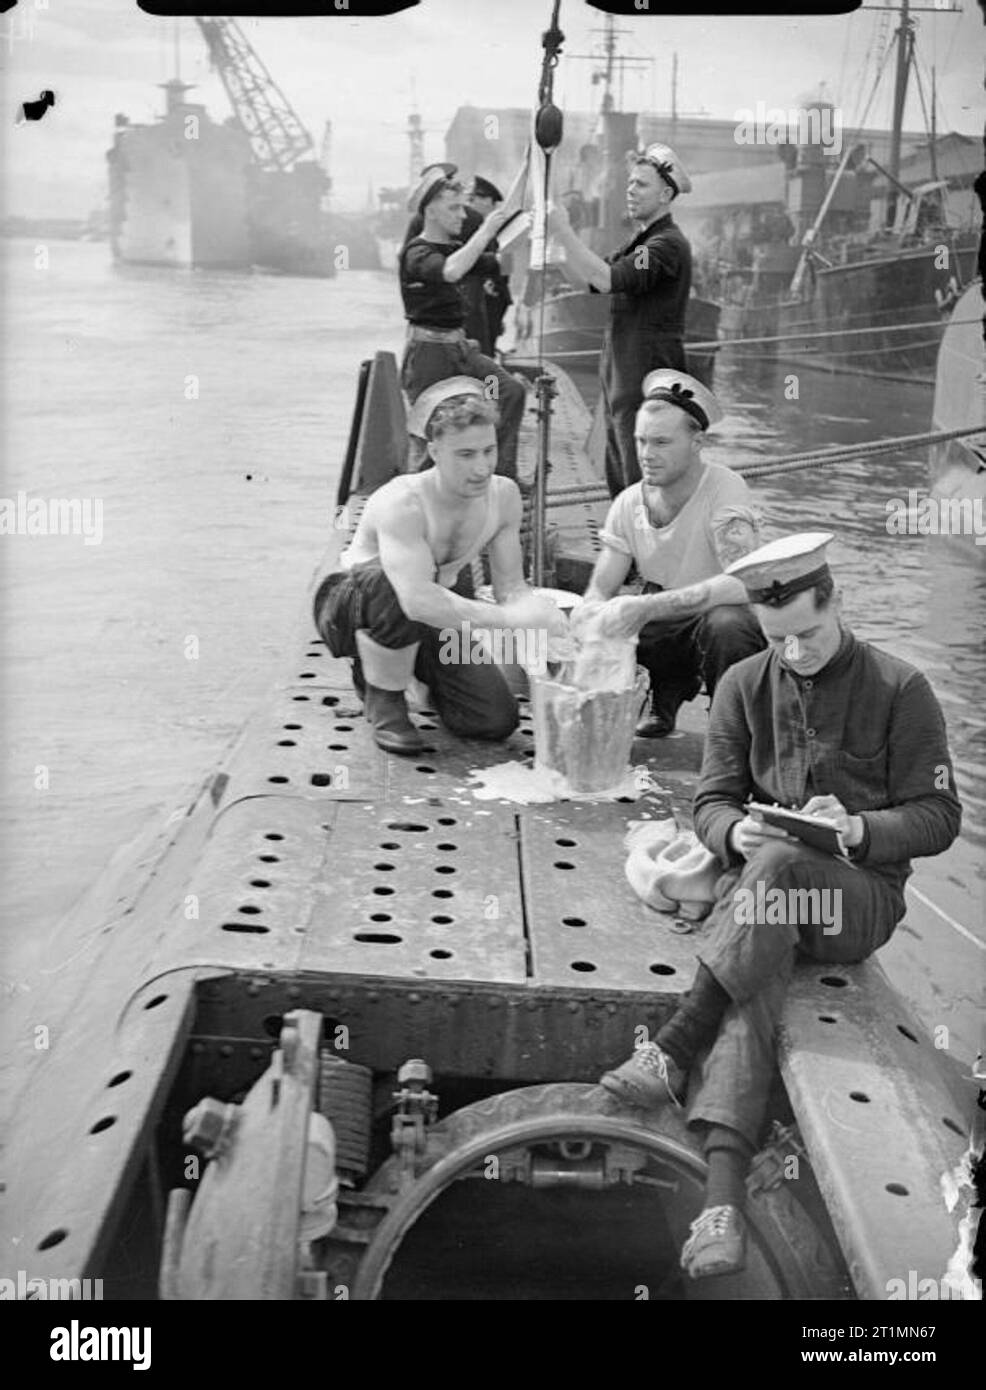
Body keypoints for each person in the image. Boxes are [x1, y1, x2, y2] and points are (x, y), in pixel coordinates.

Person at [597, 532, 962, 1280]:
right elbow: (710, 804)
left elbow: (938, 817)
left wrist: (858, 828)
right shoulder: (741, 686)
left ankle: (673, 1042)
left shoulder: (901, 688)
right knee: (755, 975)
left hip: (855, 901)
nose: (793, 652)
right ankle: (721, 1204)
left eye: (808, 634)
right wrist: (737, 828)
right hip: (766, 900)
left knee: (784, 868)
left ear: (836, 603)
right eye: (777, 639)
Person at [313, 378, 566, 755]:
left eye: (489, 451)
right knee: (392, 584)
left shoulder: (504, 496)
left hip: (426, 609)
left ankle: (420, 673)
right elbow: (417, 602)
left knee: (493, 720)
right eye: (465, 455)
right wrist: (510, 621)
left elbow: (511, 588)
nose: (481, 467)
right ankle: (382, 696)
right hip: (352, 606)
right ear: (434, 450)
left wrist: (544, 627)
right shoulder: (404, 502)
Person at [574, 369, 765, 738]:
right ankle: (663, 696)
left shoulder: (725, 488)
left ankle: (734, 733)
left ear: (697, 442)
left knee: (730, 625)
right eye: (641, 441)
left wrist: (645, 608)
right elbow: (600, 589)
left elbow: (744, 582)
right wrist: (589, 617)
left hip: (709, 620)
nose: (647, 455)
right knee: (600, 620)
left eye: (661, 443)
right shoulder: (629, 503)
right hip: (664, 621)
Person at [547, 143, 694, 498]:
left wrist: (566, 232)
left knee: (639, 485)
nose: (630, 190)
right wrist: (557, 248)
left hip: (644, 379)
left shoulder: (663, 247)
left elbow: (610, 279)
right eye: (630, 183)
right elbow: (589, 281)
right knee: (621, 483)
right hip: (621, 378)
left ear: (665, 194)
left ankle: (643, 553)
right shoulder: (639, 244)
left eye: (641, 185)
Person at [399, 164, 527, 481]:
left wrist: (516, 233)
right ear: (430, 211)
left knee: (507, 392)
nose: (462, 215)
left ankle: (500, 476)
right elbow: (451, 271)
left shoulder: (455, 249)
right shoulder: (417, 253)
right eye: (453, 208)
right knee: (436, 431)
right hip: (429, 356)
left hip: (461, 352)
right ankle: (419, 505)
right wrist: (485, 233)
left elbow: (498, 265)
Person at [467, 176, 514, 354]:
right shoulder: (475, 225)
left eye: (472, 200)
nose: (468, 205)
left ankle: (489, 382)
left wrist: (492, 282)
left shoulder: (500, 227)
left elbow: (507, 263)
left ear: (487, 201)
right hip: (479, 295)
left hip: (492, 295)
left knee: (484, 350)